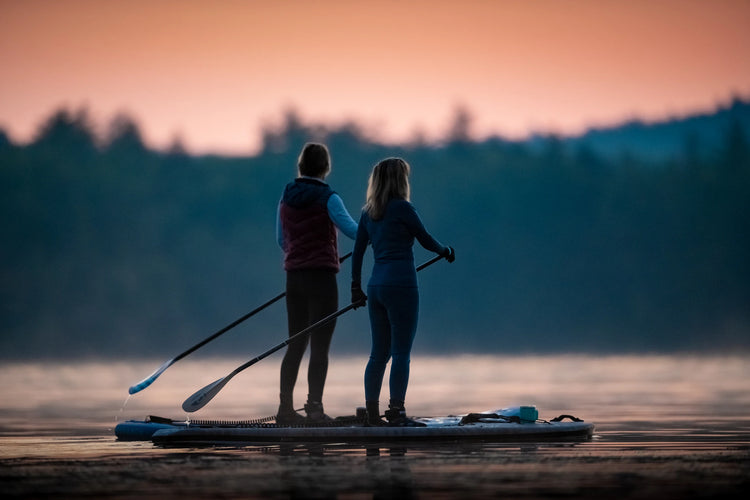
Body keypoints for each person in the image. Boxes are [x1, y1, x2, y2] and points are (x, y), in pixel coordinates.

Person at [351, 157, 455, 427]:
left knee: (378, 354)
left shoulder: (368, 213)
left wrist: (355, 288)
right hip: (401, 286)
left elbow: (358, 252)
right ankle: (396, 412)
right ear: (400, 181)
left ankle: (373, 414)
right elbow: (426, 239)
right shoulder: (404, 209)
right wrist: (446, 251)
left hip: (375, 288)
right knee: (400, 353)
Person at [276, 142, 358, 424]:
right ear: (326, 168)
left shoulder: (285, 198)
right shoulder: (329, 198)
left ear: (301, 166)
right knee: (320, 346)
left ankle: (285, 410)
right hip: (322, 280)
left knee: (295, 343)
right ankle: (314, 410)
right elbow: (353, 231)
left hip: (294, 279)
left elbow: (281, 240)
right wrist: (377, 229)